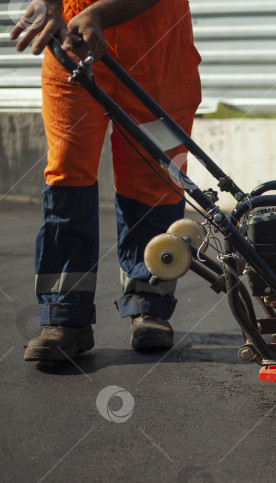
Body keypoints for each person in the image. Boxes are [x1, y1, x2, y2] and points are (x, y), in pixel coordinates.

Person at [10, 0, 202, 360]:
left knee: (154, 179)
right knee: (67, 175)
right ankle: (64, 317)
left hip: (158, 49)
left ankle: (149, 305)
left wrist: (100, 14)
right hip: (74, 40)